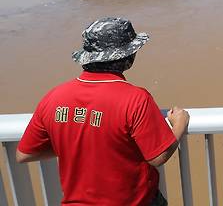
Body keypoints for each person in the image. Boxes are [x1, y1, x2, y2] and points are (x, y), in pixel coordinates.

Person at [17, 17, 190, 206]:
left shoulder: (53, 98)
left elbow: (25, 154)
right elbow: (158, 156)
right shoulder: (135, 99)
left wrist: (73, 145)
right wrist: (180, 123)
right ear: (126, 57)